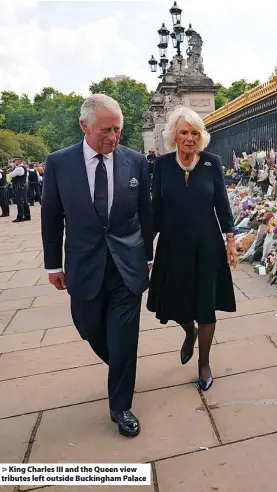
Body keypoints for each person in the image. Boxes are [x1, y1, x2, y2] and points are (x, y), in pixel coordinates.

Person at [41, 94, 153, 437]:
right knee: (89, 327)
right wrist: (52, 265)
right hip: (83, 264)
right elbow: (51, 216)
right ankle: (120, 366)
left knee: (123, 339)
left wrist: (148, 256)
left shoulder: (134, 161)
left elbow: (146, 214)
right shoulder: (59, 163)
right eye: (106, 130)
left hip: (127, 265)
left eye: (118, 130)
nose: (113, 137)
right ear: (84, 126)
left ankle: (121, 405)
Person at [147, 106, 237, 391]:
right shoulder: (162, 165)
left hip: (207, 244)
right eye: (184, 132)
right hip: (173, 245)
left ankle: (204, 363)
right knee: (176, 302)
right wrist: (145, 247)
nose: (189, 138)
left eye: (194, 133)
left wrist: (231, 239)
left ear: (201, 137)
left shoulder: (211, 162)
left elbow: (221, 203)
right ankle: (190, 332)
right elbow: (155, 208)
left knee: (206, 304)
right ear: (174, 135)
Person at [8, 158, 31, 222]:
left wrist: (13, 169)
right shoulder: (24, 168)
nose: (14, 162)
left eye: (14, 161)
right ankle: (27, 216)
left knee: (20, 201)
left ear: (18, 161)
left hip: (19, 186)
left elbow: (10, 175)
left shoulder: (19, 168)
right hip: (24, 185)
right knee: (25, 201)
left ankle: (20, 217)